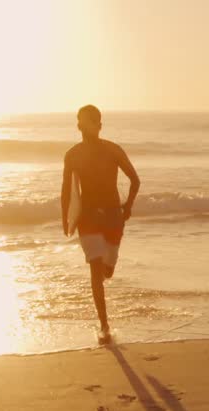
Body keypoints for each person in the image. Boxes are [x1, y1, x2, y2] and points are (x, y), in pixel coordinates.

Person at [61, 104, 140, 342]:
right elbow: (66, 191)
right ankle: (104, 326)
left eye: (86, 121)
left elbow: (135, 180)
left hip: (114, 216)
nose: (81, 125)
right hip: (88, 219)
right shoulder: (72, 155)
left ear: (99, 125)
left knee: (108, 269)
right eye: (79, 120)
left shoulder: (113, 150)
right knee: (95, 270)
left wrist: (128, 207)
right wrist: (66, 218)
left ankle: (107, 273)